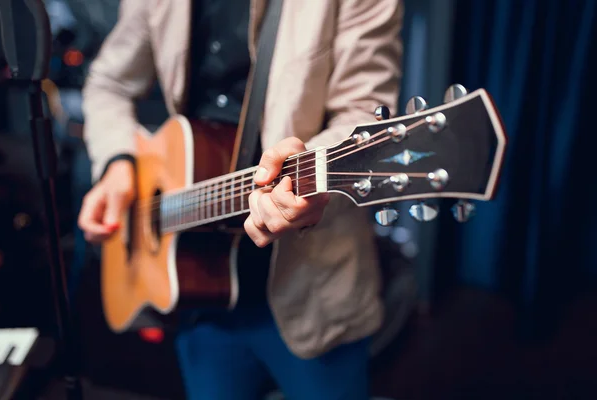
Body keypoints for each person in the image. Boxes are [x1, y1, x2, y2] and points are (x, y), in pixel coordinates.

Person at [78, 0, 404, 399]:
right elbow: (108, 84)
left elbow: (364, 113)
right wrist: (117, 161)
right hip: (196, 287)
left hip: (313, 286)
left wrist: (305, 183)